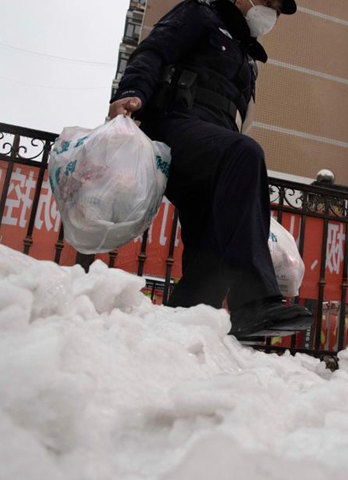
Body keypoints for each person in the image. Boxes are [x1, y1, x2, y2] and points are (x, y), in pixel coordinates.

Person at [108, 0, 312, 338]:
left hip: (214, 148)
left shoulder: (246, 54)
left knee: (214, 243)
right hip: (175, 126)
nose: (271, 12)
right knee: (245, 153)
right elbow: (153, 52)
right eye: (267, 1)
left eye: (276, 8)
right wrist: (132, 94)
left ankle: (181, 328)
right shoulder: (199, 14)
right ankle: (254, 302)